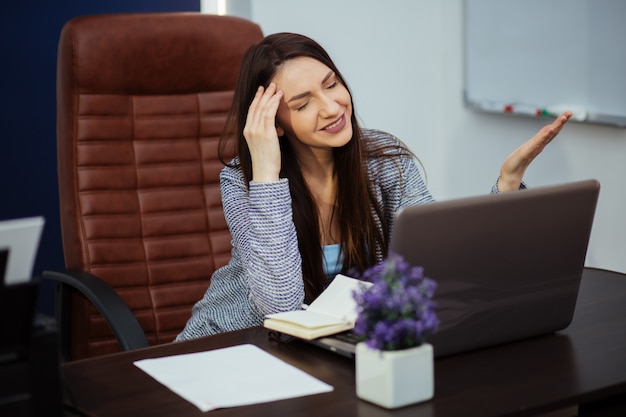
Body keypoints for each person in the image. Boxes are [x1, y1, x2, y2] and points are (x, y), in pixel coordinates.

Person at [175, 32, 571, 340]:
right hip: (235, 347)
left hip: (339, 349)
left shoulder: (385, 161)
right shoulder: (242, 180)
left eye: (331, 85)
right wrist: (265, 173)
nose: (332, 107)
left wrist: (507, 183)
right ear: (273, 124)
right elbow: (278, 307)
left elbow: (436, 267)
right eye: (302, 104)